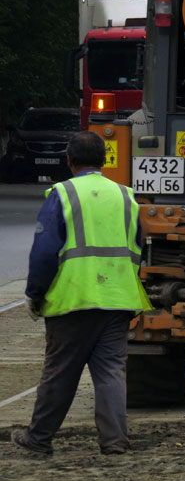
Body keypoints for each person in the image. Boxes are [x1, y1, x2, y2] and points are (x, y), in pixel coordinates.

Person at [11, 131, 151, 456]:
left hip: (73, 300)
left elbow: (45, 253)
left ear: (69, 161)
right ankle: (114, 443)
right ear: (104, 161)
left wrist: (35, 294)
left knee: (60, 371)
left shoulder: (63, 193)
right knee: (111, 372)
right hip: (118, 299)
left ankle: (39, 439)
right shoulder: (125, 196)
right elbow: (138, 248)